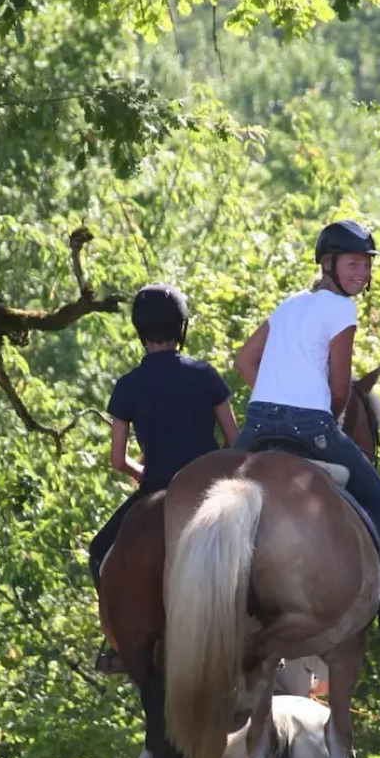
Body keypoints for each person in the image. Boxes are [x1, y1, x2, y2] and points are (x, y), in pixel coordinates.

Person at [233, 219, 380, 649]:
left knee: (209, 490)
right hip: (311, 429)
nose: (362, 273)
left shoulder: (289, 304)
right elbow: (340, 387)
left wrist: (277, 396)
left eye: (366, 266)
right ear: (328, 263)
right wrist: (327, 417)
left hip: (258, 423)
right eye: (354, 264)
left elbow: (244, 361)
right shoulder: (342, 310)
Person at [90, 283, 239, 670]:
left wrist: (144, 474)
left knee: (99, 551)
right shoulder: (206, 375)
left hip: (156, 488)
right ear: (182, 328)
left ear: (140, 333)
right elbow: (234, 440)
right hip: (208, 491)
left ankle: (122, 644)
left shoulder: (128, 386)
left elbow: (118, 459)